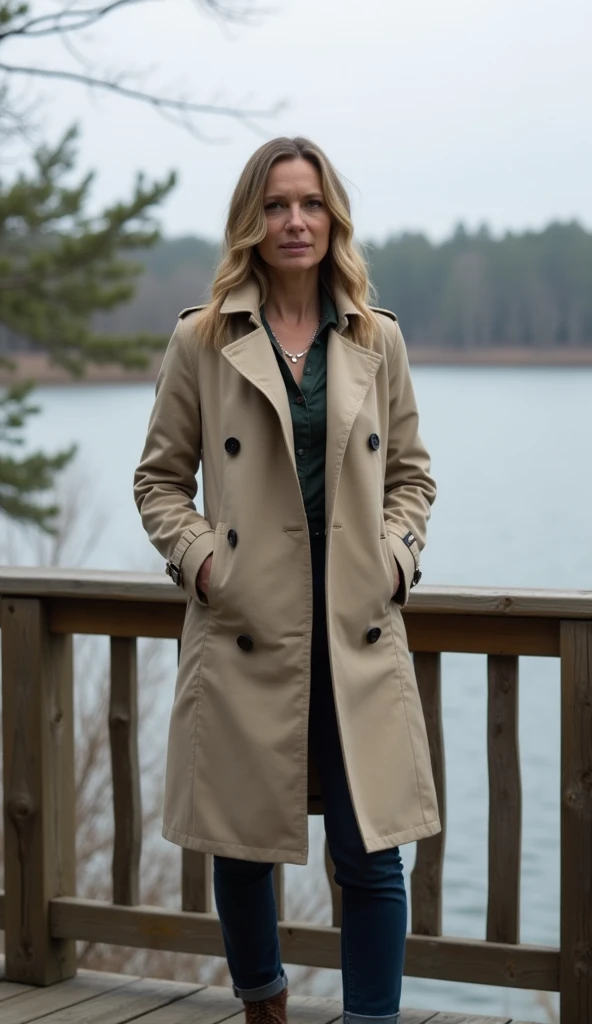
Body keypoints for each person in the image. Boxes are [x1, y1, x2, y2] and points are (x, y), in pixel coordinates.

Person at [133, 136, 440, 1024]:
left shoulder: (378, 339)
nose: (294, 221)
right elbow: (159, 481)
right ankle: (262, 1003)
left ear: (332, 217)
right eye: (275, 206)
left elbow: (414, 476)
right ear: (251, 223)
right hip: (247, 624)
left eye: (309, 203)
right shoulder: (203, 337)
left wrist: (394, 557)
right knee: (243, 844)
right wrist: (205, 564)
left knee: (373, 852)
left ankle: (371, 1019)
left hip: (355, 631)